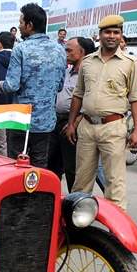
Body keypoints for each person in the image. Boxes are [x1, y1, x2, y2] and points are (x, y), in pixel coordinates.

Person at [66, 15, 137, 211]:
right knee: (81, 182)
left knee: (114, 184)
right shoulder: (88, 62)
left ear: (121, 35)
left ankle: (115, 235)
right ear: (99, 35)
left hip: (113, 128)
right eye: (107, 32)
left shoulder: (130, 62)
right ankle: (77, 229)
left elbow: (136, 98)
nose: (112, 36)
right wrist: (72, 123)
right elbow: (78, 94)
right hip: (87, 127)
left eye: (116, 32)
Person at [0, 3, 66, 167]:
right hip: (45, 121)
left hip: (19, 118)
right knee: (39, 163)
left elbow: (12, 85)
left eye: (21, 23)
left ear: (30, 25)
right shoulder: (59, 50)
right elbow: (60, 86)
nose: (19, 27)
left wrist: (0, 85)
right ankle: (38, 193)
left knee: (15, 163)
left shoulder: (21, 49)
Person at [48, 37, 101, 192]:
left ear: (82, 52)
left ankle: (75, 206)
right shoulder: (65, 71)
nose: (66, 53)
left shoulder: (90, 75)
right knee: (51, 167)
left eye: (69, 50)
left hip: (73, 125)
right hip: (55, 122)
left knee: (72, 168)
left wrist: (75, 122)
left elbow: (89, 102)